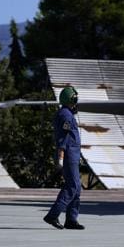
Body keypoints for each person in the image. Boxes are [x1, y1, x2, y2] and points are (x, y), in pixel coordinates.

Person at [43, 86, 84, 230]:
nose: (76, 102)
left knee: (77, 188)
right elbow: (63, 137)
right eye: (75, 99)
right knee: (72, 186)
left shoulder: (67, 114)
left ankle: (71, 220)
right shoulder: (66, 115)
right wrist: (61, 156)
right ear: (71, 100)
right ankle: (52, 215)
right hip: (68, 155)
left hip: (73, 154)